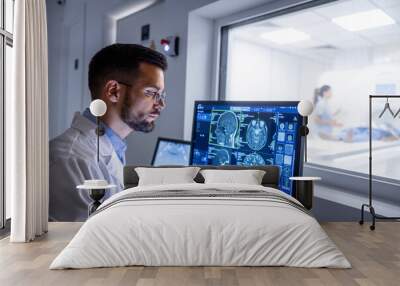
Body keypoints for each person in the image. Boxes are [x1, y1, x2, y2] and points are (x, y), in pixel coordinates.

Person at [49, 44, 168, 221]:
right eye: (151, 92)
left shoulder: (112, 147)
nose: (161, 105)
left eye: (161, 95)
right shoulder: (71, 161)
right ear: (113, 91)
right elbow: (92, 243)